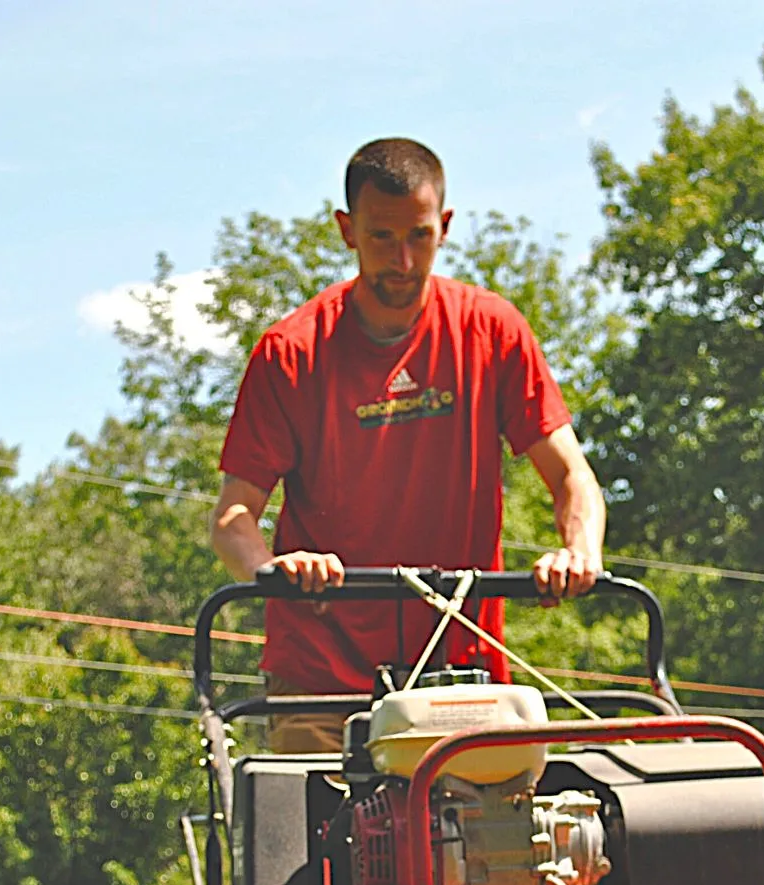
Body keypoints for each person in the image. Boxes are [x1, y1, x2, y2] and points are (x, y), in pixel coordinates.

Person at [210, 137, 607, 752]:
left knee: (500, 838)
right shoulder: (292, 352)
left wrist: (577, 552)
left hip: (462, 672)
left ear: (444, 227)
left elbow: (572, 478)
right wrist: (273, 568)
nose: (402, 260)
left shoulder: (492, 330)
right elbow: (233, 517)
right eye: (382, 238)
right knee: (315, 838)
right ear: (347, 231)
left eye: (418, 236)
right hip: (321, 679)